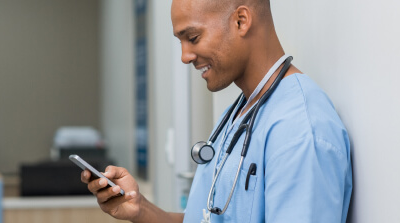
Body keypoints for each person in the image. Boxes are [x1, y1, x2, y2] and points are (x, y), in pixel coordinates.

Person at [81, 0, 353, 222]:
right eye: (181, 42)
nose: (185, 56)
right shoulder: (239, 113)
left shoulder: (299, 131)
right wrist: (140, 210)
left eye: (193, 37)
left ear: (241, 21)